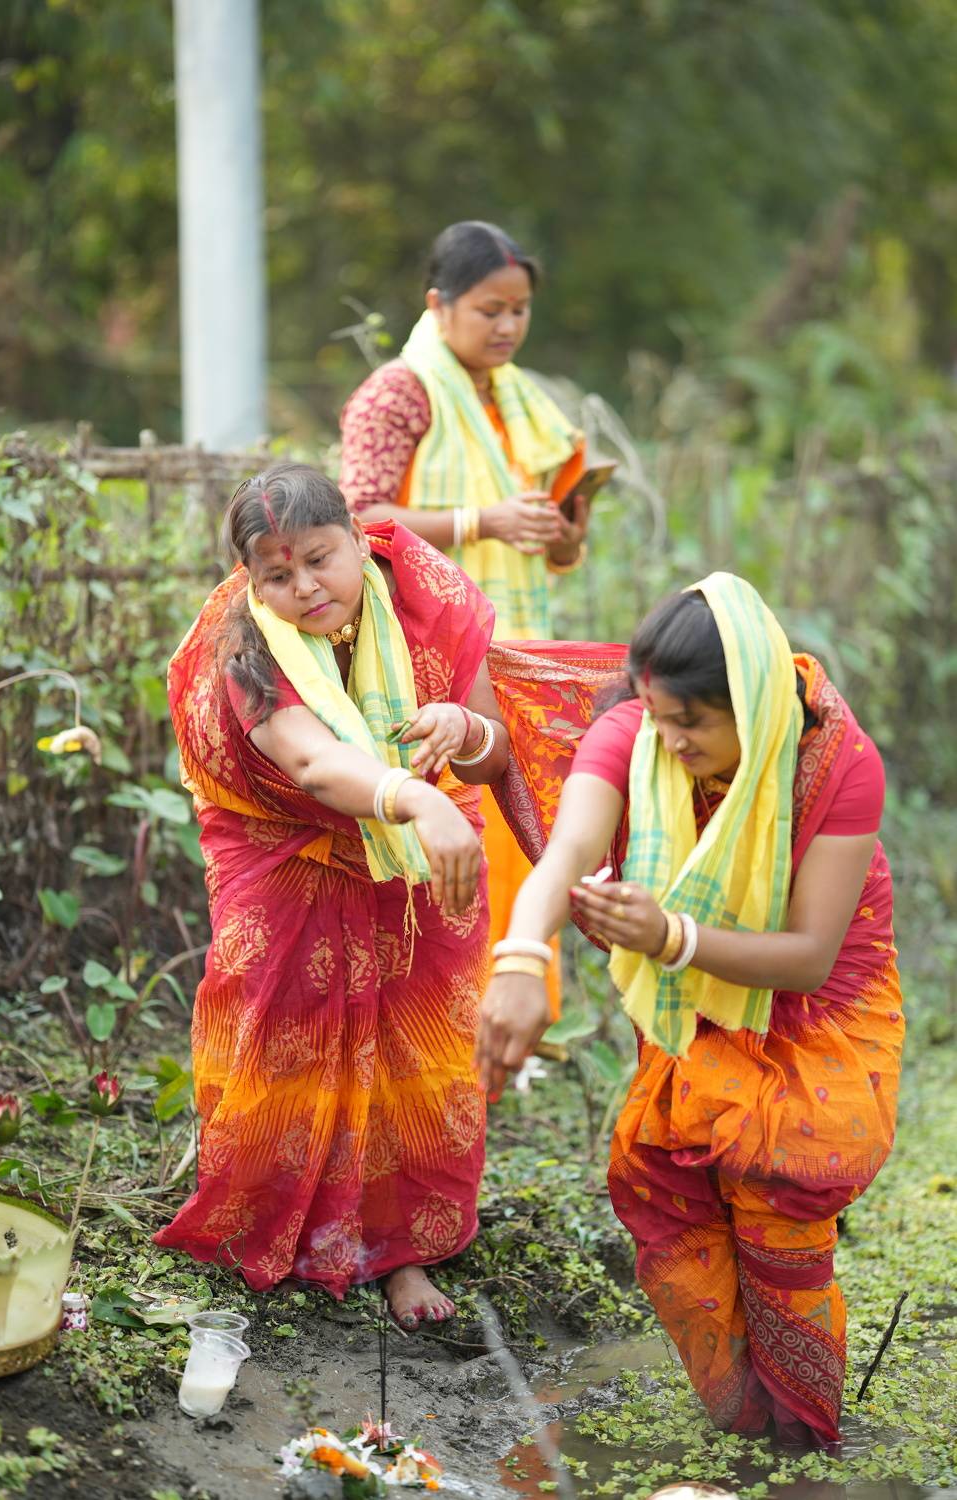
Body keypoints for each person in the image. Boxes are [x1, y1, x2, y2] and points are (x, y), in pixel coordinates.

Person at [477, 573, 903, 1449]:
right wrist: (521, 956)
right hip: (696, 1003)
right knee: (668, 1184)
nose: (668, 741)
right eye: (657, 716)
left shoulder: (837, 762)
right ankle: (740, 1420)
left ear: (752, 704)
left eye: (693, 723)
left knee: (778, 1187)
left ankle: (801, 1433)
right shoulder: (635, 731)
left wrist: (671, 936)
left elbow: (808, 954)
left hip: (818, 1012)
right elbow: (570, 850)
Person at [155, 463, 511, 1330]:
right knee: (279, 1028)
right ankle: (273, 1222)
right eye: (278, 574)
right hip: (284, 846)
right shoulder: (245, 646)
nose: (306, 587)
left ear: (358, 539)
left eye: (320, 559)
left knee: (415, 1045)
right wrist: (416, 798)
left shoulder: (430, 603)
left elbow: (494, 755)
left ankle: (400, 1252)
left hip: (418, 856)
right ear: (250, 578)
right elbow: (312, 763)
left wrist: (463, 729)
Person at [339, 219, 592, 1013]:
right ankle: (451, 1017)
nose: (508, 326)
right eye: (490, 310)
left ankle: (518, 1010)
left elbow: (552, 542)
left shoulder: (520, 401)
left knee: (524, 823)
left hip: (514, 645)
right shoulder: (399, 392)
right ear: (437, 305)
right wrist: (481, 521)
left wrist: (560, 531)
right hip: (428, 651)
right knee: (451, 825)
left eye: (520, 310)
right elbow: (354, 517)